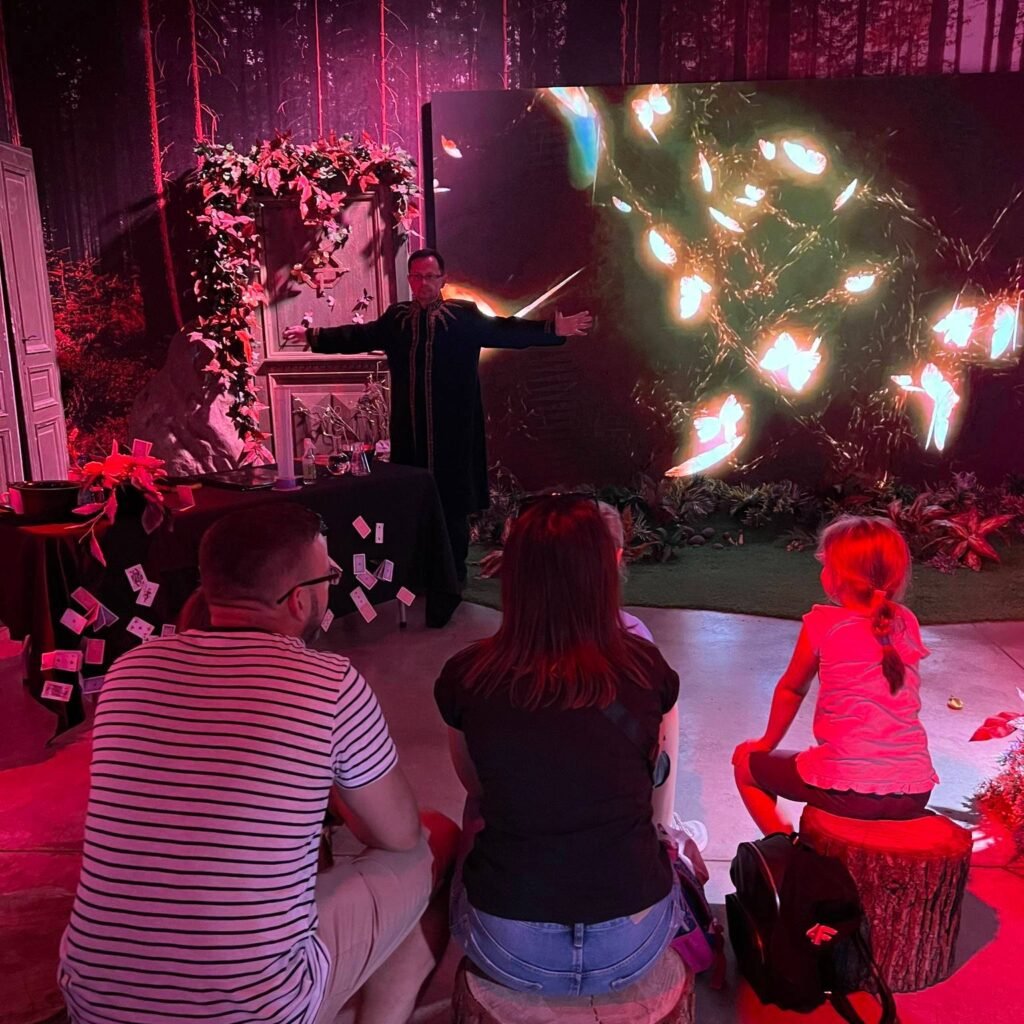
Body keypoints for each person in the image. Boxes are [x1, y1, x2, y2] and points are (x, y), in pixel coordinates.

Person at [59, 503, 459, 1024]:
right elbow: (398, 835)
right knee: (436, 837)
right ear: (299, 600)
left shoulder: (127, 673)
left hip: (94, 999)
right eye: (329, 577)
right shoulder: (329, 684)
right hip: (254, 1009)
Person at [434, 495, 683, 996]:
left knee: (457, 825)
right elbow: (659, 791)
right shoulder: (648, 668)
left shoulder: (468, 675)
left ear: (514, 574)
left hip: (508, 944)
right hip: (634, 939)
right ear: (606, 571)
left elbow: (477, 787)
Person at [283, 248, 593, 587]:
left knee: (452, 508)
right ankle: (419, 577)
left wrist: (552, 329)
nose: (424, 283)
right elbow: (359, 336)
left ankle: (452, 581)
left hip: (454, 436)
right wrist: (312, 336)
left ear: (442, 279)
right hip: (411, 436)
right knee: (415, 504)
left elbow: (505, 331)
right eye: (417, 276)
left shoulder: (463, 316)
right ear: (409, 279)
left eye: (430, 276)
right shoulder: (398, 320)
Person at [732, 515, 938, 836]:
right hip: (916, 788)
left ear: (838, 577)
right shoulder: (906, 622)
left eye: (826, 565)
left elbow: (792, 689)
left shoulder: (823, 624)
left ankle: (785, 847)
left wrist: (765, 742)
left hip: (847, 789)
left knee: (745, 767)